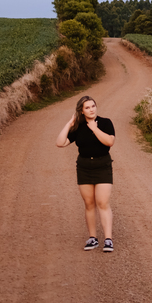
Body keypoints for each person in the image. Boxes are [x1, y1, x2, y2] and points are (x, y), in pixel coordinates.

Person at [55, 95, 116, 252]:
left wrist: (95, 129)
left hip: (102, 165)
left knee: (102, 202)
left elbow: (109, 142)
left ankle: (108, 239)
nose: (91, 109)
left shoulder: (105, 123)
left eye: (93, 106)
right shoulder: (78, 127)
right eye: (87, 107)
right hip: (84, 167)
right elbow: (60, 143)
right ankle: (92, 238)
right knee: (89, 204)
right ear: (81, 111)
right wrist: (69, 124)